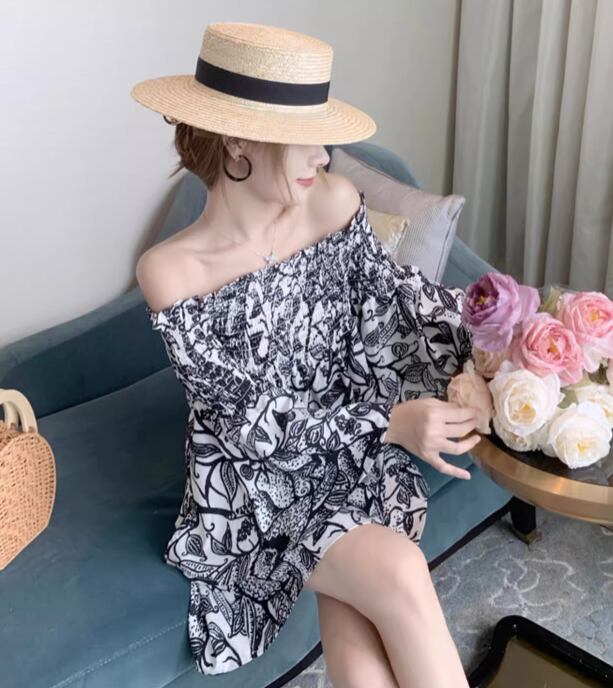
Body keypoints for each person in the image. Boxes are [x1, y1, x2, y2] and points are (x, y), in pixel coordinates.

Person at [133, 21, 481, 686]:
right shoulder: (172, 271)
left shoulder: (334, 203)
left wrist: (496, 334)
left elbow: (399, 303)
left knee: (360, 620)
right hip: (257, 485)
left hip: (350, 454)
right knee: (398, 570)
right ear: (237, 138)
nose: (324, 155)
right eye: (306, 136)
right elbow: (247, 423)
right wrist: (388, 424)